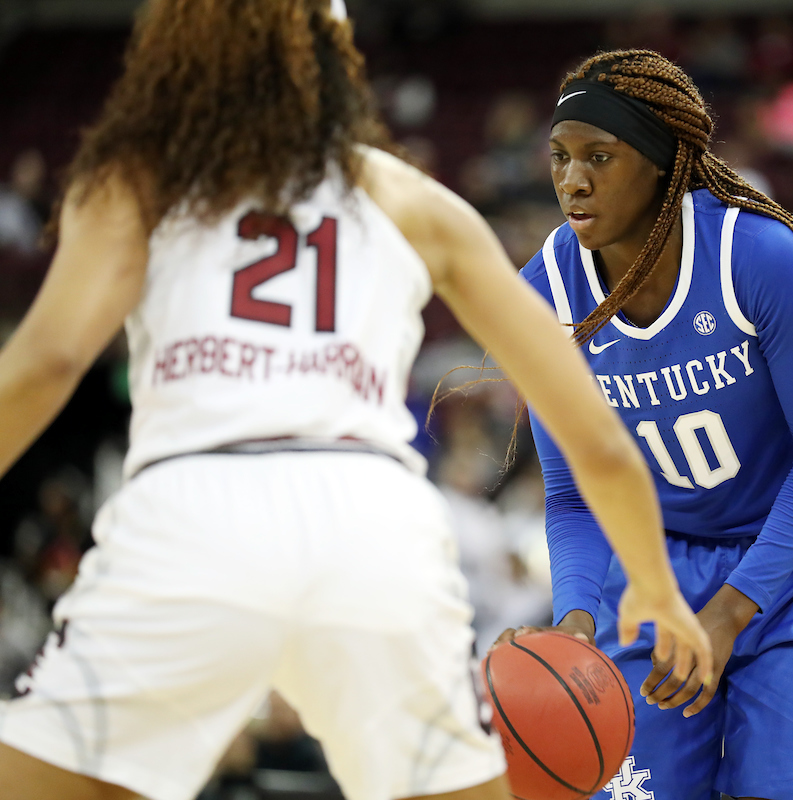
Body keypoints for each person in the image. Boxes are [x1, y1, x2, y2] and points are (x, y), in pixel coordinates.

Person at [0, 5, 711, 800]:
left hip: (194, 509)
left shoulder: (138, 176)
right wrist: (653, 583)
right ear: (335, 53)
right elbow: (599, 438)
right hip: (373, 522)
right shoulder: (412, 199)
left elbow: (49, 359)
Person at [499, 49, 793, 800]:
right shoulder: (544, 293)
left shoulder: (759, 256)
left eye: (599, 157)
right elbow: (575, 495)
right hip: (656, 574)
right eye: (559, 157)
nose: (571, 180)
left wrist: (731, 612)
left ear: (662, 162)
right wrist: (574, 620)